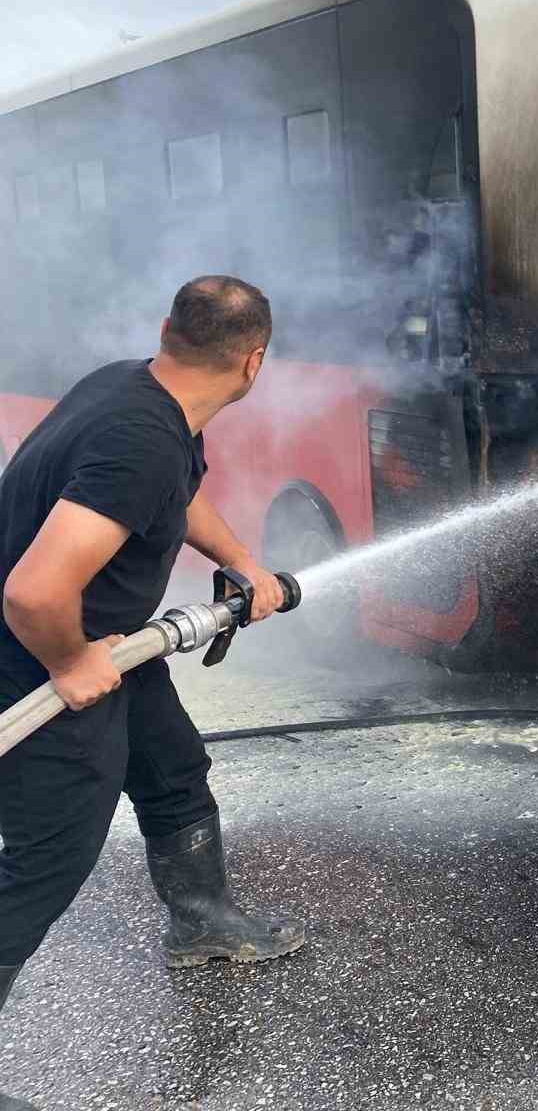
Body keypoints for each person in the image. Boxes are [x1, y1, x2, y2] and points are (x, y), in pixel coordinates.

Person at [0, 277, 304, 1111]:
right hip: (39, 653)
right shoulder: (140, 437)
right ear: (254, 362)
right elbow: (33, 592)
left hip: (110, 643)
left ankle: (203, 921)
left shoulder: (138, 390)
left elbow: (172, 493)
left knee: (171, 767)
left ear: (168, 330)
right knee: (51, 856)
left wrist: (242, 560)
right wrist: (70, 664)